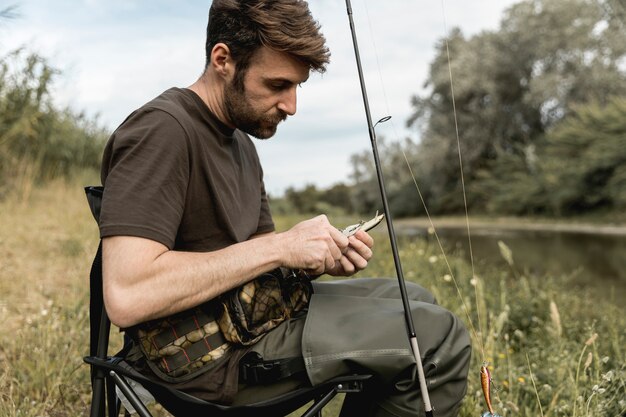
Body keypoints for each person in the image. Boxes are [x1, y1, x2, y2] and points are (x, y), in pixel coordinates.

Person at [98, 1, 471, 416]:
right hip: (206, 361)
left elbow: (258, 261)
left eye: (297, 86)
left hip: (254, 322)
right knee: (438, 337)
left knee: (416, 298)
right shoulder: (162, 131)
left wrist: (314, 260)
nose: (291, 105)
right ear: (223, 59)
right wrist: (280, 247)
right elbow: (127, 293)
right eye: (277, 85)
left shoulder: (241, 143)